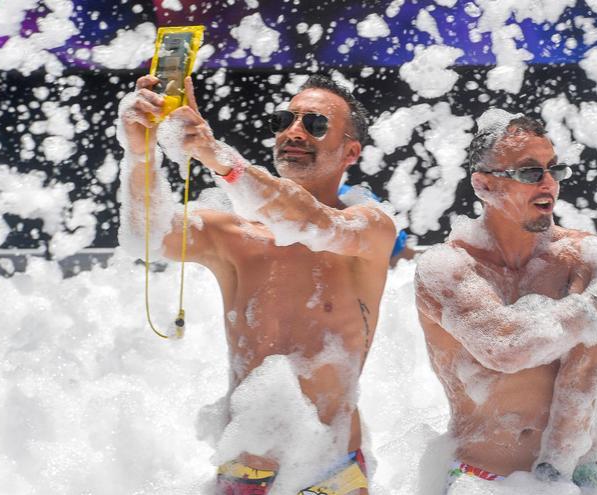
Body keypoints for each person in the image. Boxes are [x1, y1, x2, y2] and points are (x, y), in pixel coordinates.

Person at [117, 74, 397, 494]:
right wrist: (140, 153)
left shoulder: (367, 229)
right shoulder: (234, 232)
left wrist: (212, 152)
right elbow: (146, 234)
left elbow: (309, 222)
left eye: (315, 124)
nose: (294, 132)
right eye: (284, 120)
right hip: (246, 462)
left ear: (350, 152)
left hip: (329, 463)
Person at [414, 111, 597, 491]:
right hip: (480, 479)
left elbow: (581, 379)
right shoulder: (445, 268)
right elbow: (506, 347)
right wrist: (593, 308)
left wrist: (557, 474)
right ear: (484, 185)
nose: (548, 182)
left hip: (571, 475)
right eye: (530, 172)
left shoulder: (585, 257)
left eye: (554, 169)